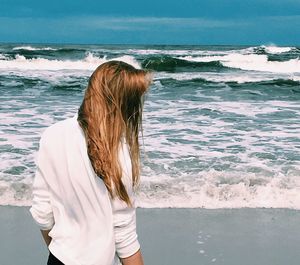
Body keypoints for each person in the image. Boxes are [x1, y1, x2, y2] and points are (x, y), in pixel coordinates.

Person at [29, 60, 152, 265]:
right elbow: (124, 235)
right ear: (126, 105)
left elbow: (43, 212)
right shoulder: (120, 156)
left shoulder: (53, 134)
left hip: (58, 258)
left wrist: (63, 253)